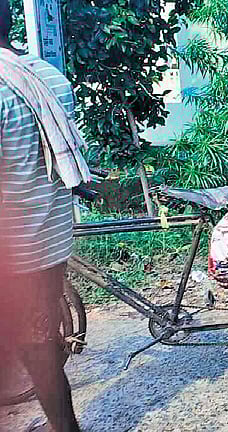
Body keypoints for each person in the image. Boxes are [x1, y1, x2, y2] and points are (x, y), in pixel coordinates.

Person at [0, 1, 88, 430]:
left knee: (33, 348)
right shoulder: (48, 76)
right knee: (39, 343)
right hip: (51, 238)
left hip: (12, 250)